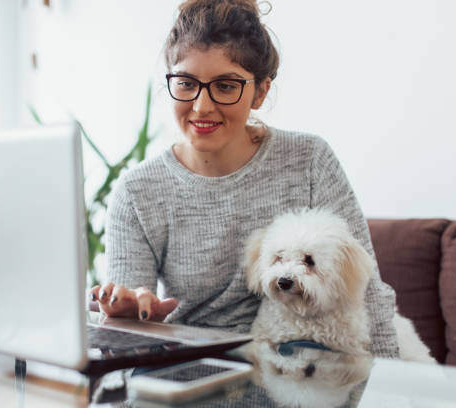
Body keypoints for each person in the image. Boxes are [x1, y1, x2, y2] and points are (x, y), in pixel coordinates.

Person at [90, 0, 399, 358]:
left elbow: (369, 294)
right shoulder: (137, 192)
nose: (202, 106)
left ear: (260, 92)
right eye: (186, 83)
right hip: (191, 376)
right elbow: (125, 342)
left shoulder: (309, 160)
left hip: (304, 376)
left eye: (225, 86)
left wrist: (393, 388)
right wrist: (129, 319)